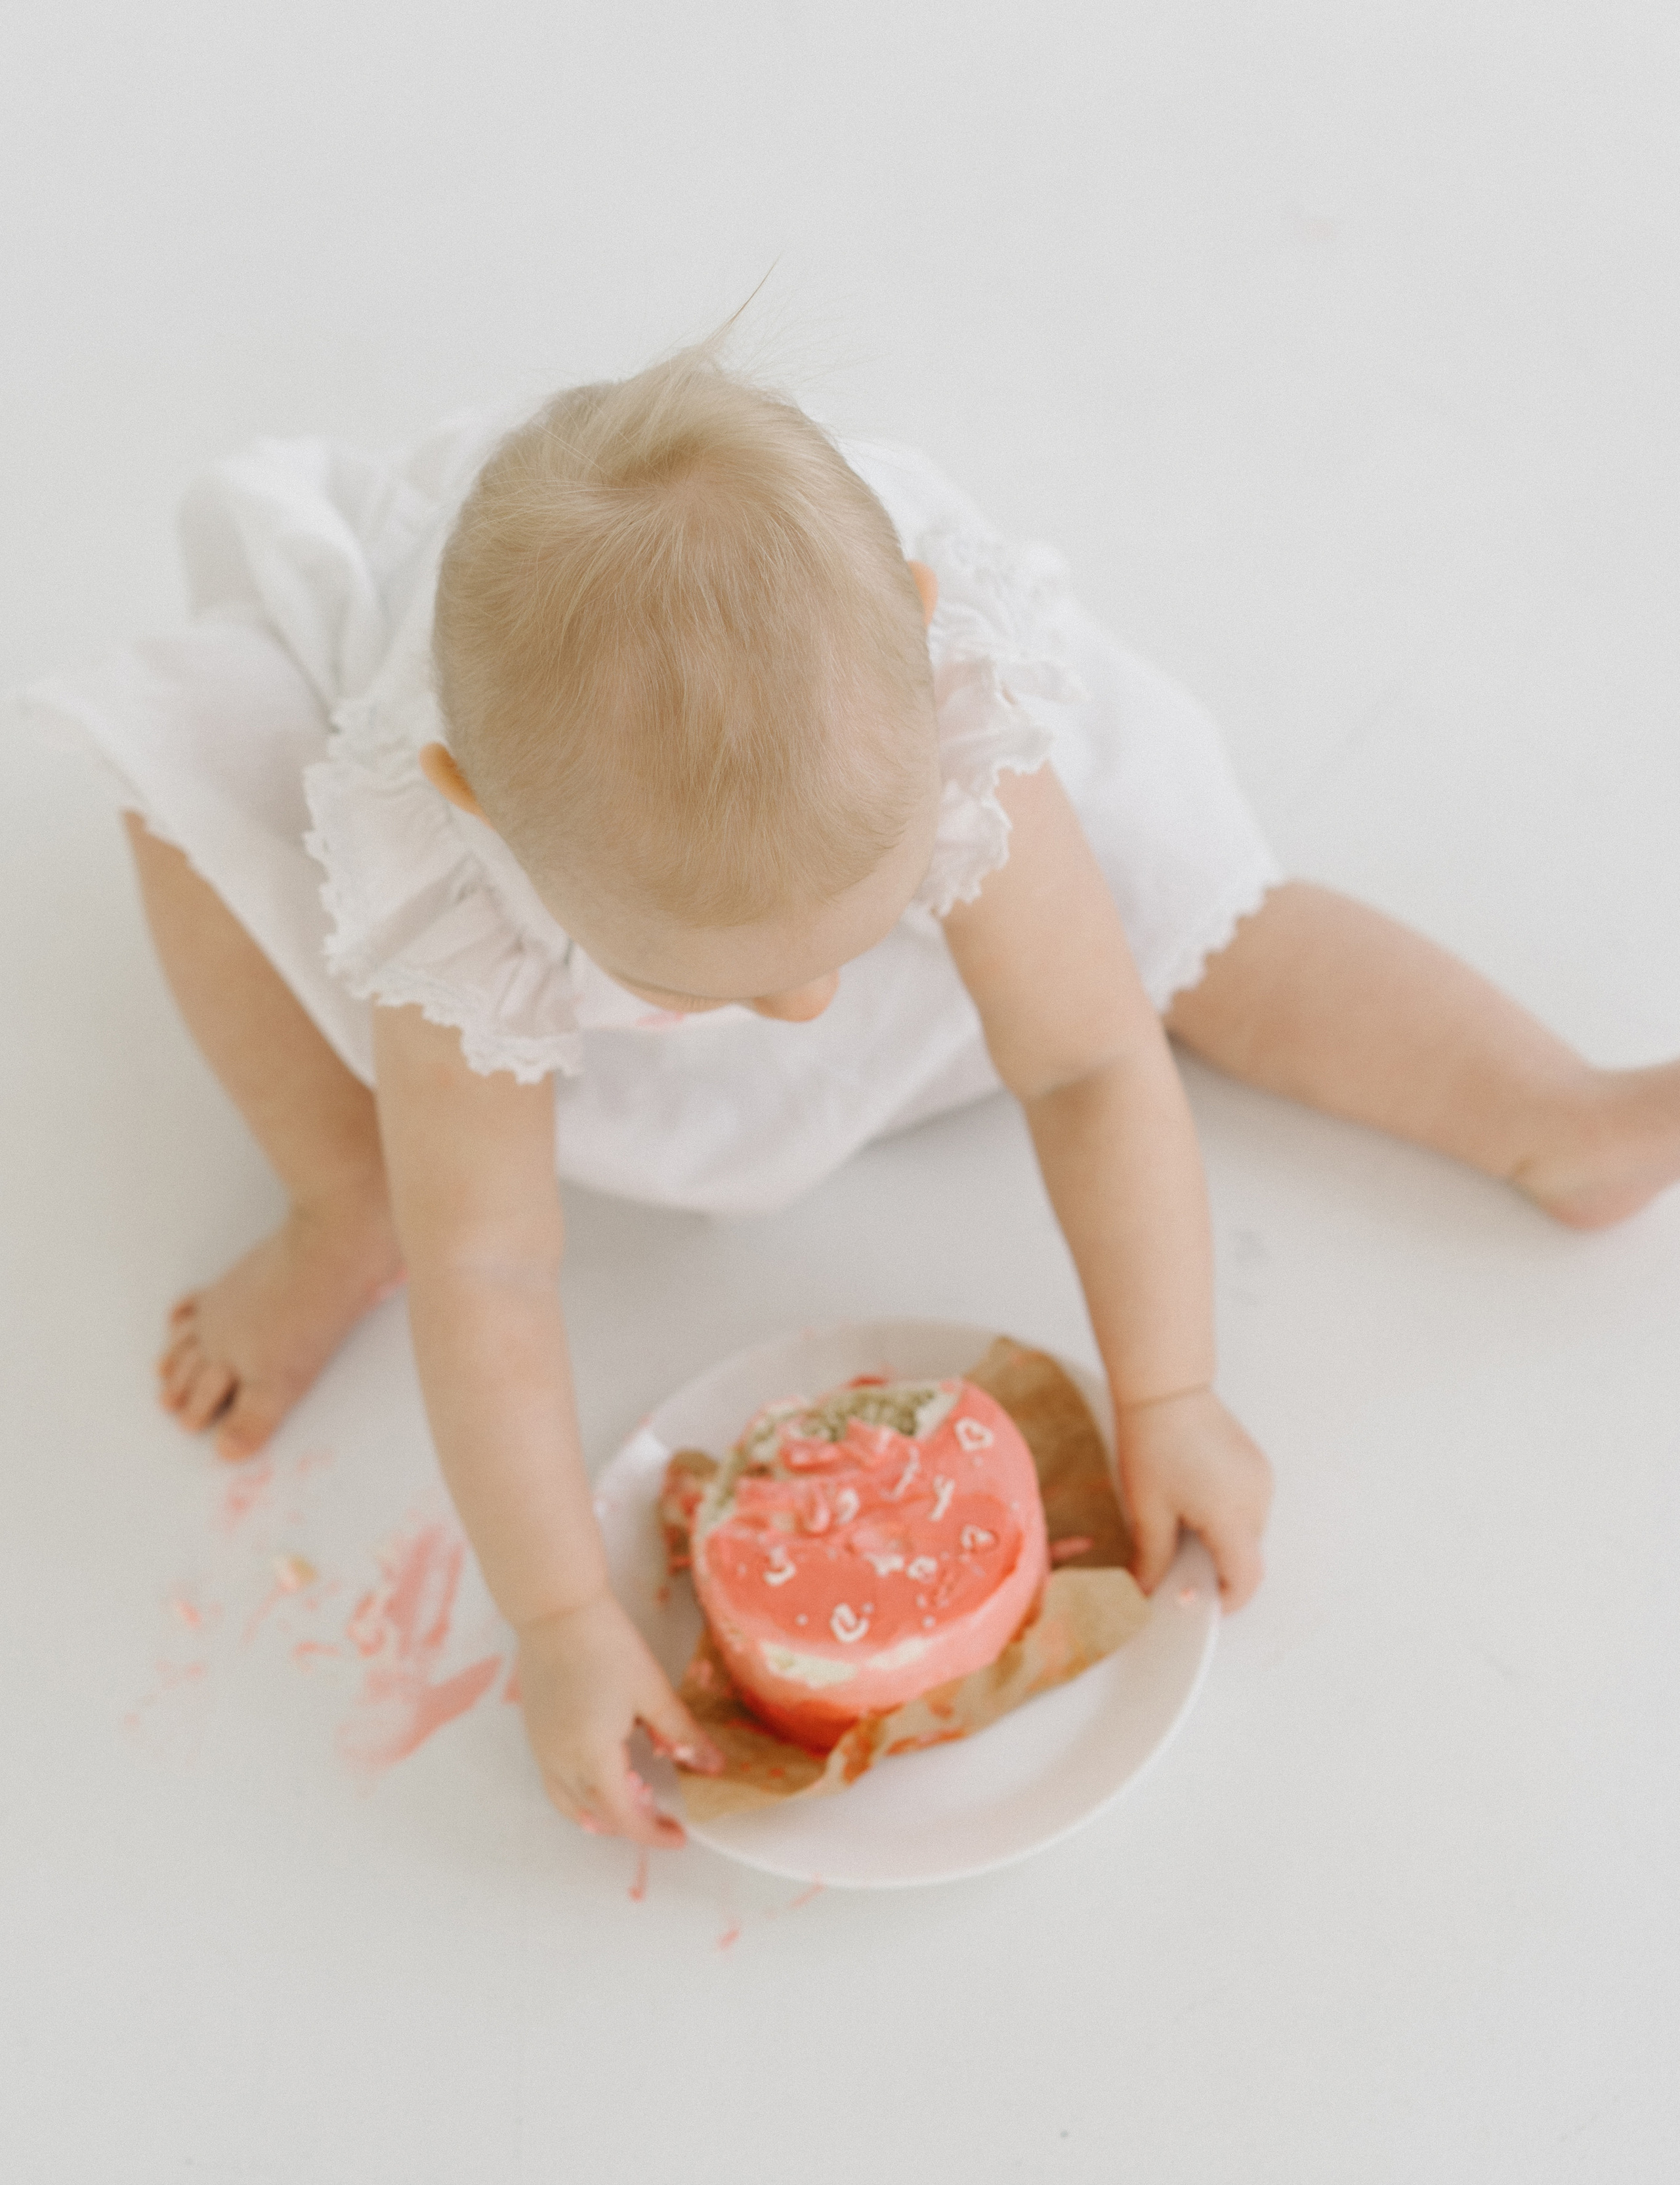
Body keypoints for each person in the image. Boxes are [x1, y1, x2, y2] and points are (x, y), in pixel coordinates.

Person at [22, 344, 1680, 1847]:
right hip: (563, 875)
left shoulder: (929, 690)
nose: (804, 1011)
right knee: (186, 792)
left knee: (1191, 919)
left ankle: (1550, 1107)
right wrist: (560, 1621)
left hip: (853, 830)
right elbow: (496, 1269)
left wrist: (1166, 1393)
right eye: (721, 985)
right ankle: (340, 1186)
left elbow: (1092, 1056)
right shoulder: (434, 843)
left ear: (916, 621)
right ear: (475, 817)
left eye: (848, 934)